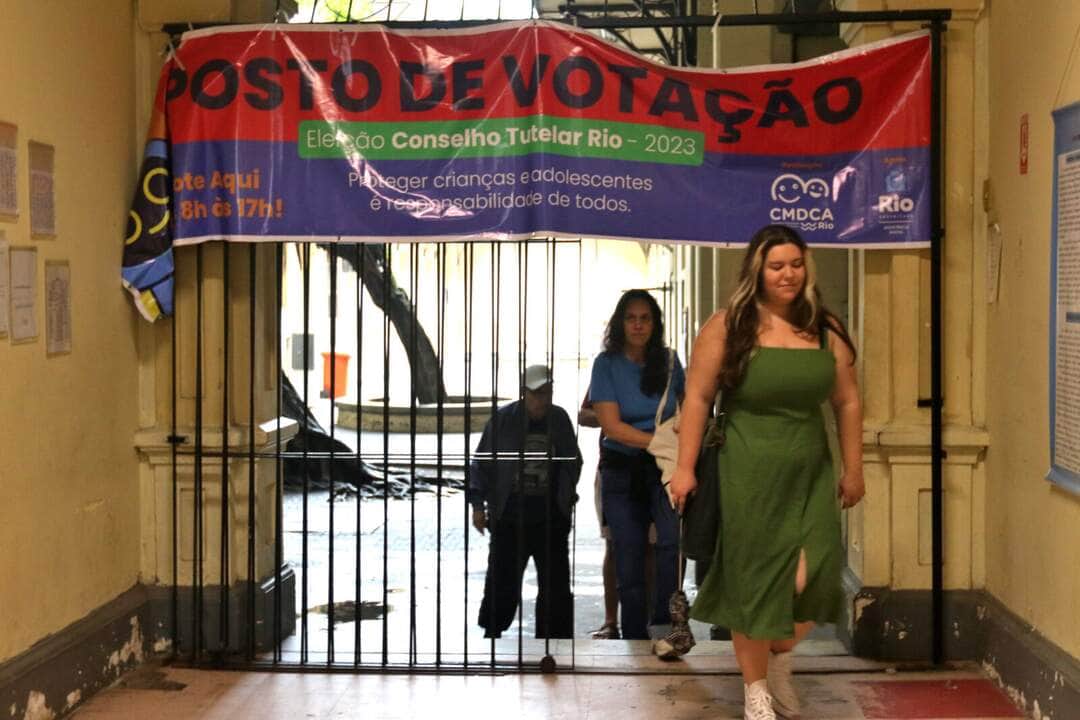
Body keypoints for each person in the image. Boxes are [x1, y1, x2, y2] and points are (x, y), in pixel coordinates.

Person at [668, 225, 865, 720]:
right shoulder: (728, 326)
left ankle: (777, 659)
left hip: (810, 466)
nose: (788, 275)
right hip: (746, 464)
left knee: (816, 575)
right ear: (757, 270)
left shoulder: (825, 328)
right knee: (753, 578)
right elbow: (696, 399)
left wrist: (854, 468)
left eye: (795, 264)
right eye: (776, 266)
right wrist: (684, 468)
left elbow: (847, 401)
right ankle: (756, 689)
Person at [588, 289, 684, 641]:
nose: (639, 325)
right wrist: (660, 441)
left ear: (655, 324)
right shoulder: (607, 364)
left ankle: (663, 624)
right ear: (620, 323)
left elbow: (688, 410)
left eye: (646, 318)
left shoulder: (671, 362)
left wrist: (680, 445)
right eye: (631, 318)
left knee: (671, 543)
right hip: (623, 467)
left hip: (665, 469)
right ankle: (632, 637)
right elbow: (611, 425)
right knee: (627, 552)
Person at [468, 364, 583, 639]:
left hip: (549, 516)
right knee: (502, 580)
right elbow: (481, 463)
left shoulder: (559, 419)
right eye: (536, 393)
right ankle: (493, 632)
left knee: (555, 585)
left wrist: (564, 500)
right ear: (524, 393)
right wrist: (478, 506)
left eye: (547, 392)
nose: (542, 399)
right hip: (509, 514)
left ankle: (553, 641)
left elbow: (572, 461)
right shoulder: (504, 419)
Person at [578, 392, 655, 640]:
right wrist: (615, 421)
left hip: (656, 467)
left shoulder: (664, 369)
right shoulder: (609, 371)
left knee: (652, 547)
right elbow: (584, 414)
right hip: (615, 467)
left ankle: (650, 619)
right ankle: (611, 621)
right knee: (614, 545)